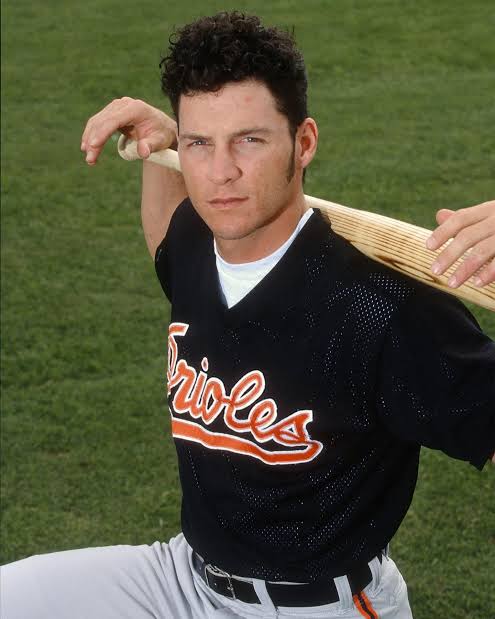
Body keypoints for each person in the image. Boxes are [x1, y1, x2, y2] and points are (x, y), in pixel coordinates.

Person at [1, 11, 494, 619]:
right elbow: (165, 238)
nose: (221, 173)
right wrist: (160, 148)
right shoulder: (196, 239)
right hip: (182, 579)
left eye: (249, 140)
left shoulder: (387, 310)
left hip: (320, 606)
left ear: (304, 142)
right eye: (200, 143)